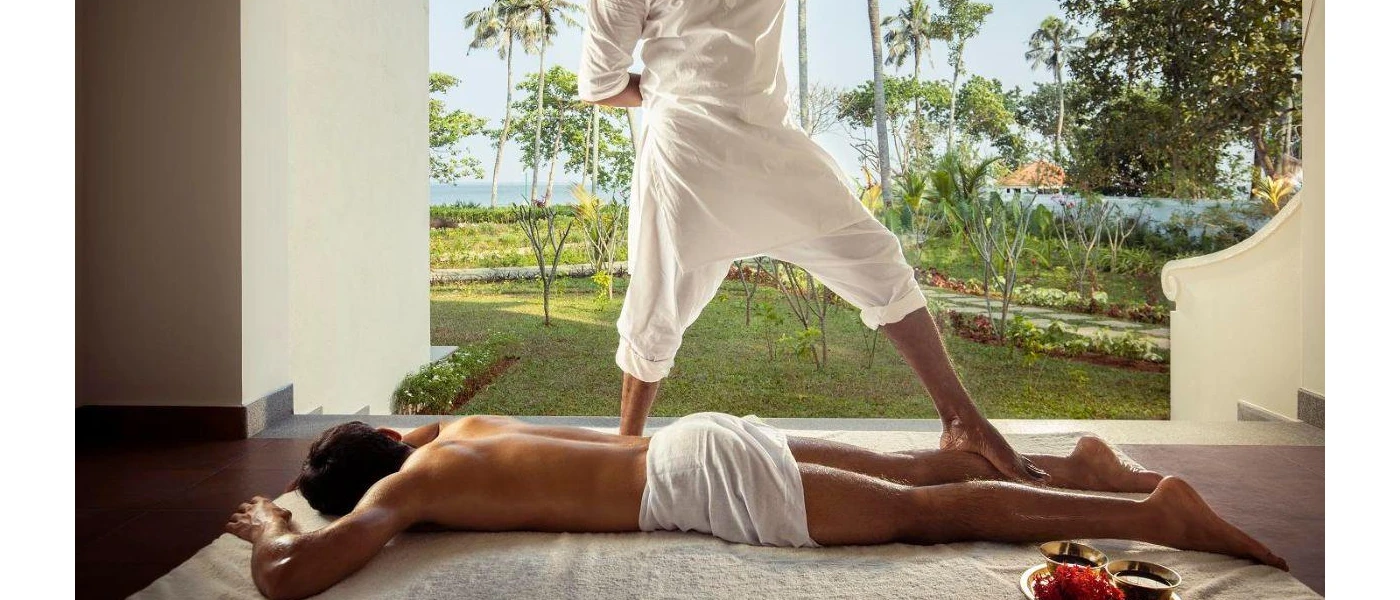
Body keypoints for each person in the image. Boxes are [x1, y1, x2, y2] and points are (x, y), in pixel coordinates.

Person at [576, 0, 1039, 483]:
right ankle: (627, 449)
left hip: (750, 145)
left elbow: (602, 86)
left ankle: (962, 420)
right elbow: (600, 86)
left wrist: (670, 86)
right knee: (659, 304)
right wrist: (682, 93)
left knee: (663, 301)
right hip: (694, 156)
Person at [229, 414, 1287, 600]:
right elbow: (399, 441)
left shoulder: (411, 489)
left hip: (696, 483)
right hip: (704, 437)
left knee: (932, 511)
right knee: (923, 471)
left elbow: (288, 580)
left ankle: (1154, 515)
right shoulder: (450, 436)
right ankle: (1083, 468)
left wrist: (274, 525)